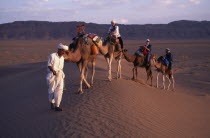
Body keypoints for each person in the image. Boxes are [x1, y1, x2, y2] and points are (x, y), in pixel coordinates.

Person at [46, 43, 68, 111]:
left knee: (60, 90)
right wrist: (53, 71)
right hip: (52, 75)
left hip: (60, 75)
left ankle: (57, 106)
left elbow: (61, 68)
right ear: (59, 50)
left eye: (64, 51)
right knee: (52, 90)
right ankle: (52, 103)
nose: (64, 52)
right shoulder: (52, 56)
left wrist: (59, 73)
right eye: (62, 50)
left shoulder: (62, 58)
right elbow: (49, 65)